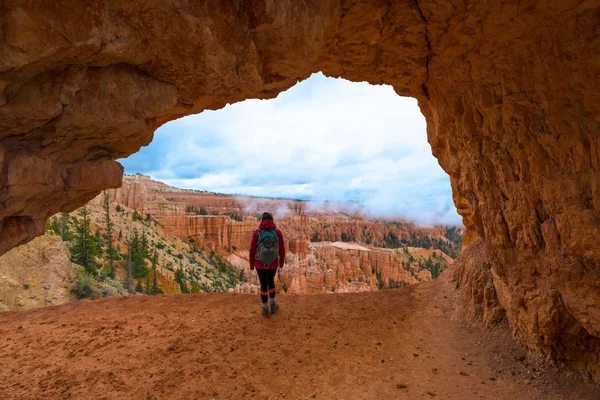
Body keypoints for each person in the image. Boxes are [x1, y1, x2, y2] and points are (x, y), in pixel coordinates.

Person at [249, 212, 285, 318]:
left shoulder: (257, 232)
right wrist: (281, 262)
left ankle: (265, 308)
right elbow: (282, 249)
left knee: (263, 285)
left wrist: (251, 264)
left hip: (259, 263)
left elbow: (252, 250)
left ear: (262, 220)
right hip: (273, 263)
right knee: (271, 283)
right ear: (272, 220)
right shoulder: (277, 232)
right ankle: (273, 305)